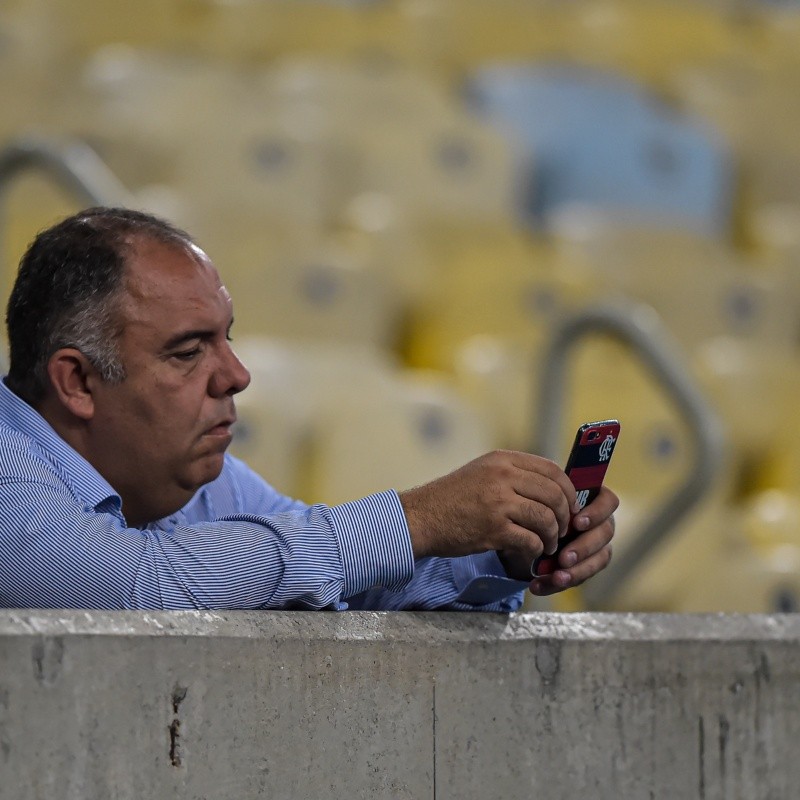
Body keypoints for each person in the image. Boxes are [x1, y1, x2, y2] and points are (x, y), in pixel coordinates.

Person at [0, 207, 617, 611]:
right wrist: (414, 519)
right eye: (189, 352)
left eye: (227, 339)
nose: (237, 377)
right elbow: (132, 588)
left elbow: (349, 582)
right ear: (77, 382)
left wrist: (507, 544)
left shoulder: (198, 482)